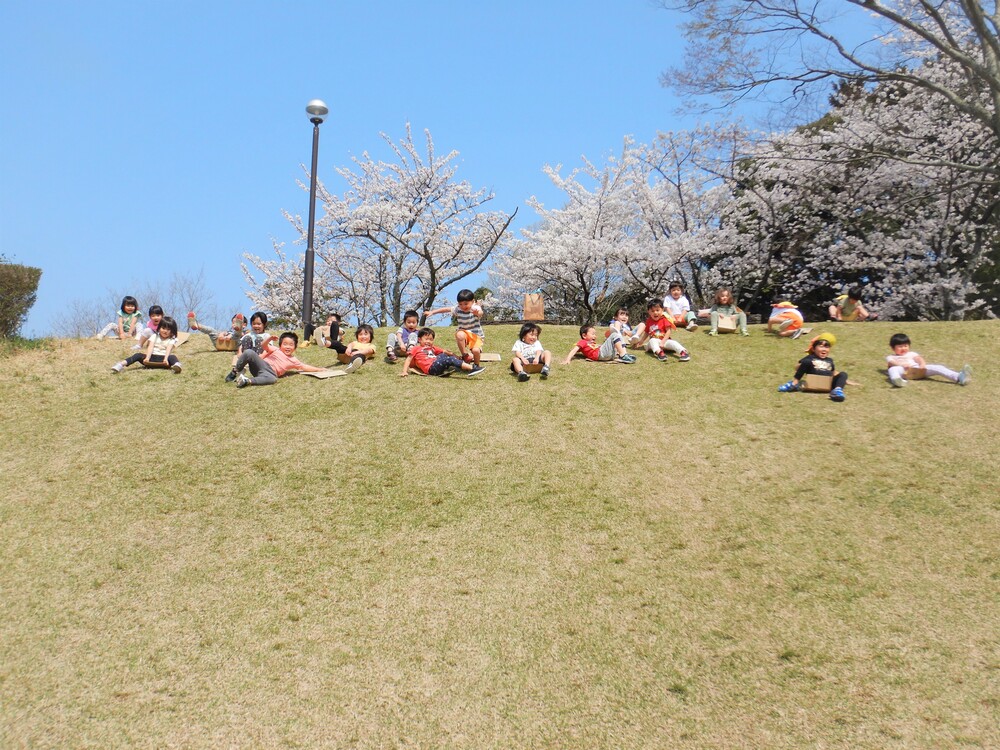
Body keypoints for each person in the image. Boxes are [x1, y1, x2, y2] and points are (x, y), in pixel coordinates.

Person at [233, 331, 328, 387]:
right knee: (249, 352)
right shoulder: (275, 349)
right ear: (280, 345)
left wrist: (319, 369)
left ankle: (247, 381)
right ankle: (235, 371)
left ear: (295, 347)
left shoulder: (293, 360)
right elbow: (263, 345)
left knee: (273, 379)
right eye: (285, 344)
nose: (287, 347)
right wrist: (269, 339)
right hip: (261, 365)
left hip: (270, 373)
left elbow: (304, 367)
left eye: (291, 345)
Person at [777, 332, 848, 402]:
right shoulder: (810, 358)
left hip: (827, 385)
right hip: (812, 382)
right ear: (814, 349)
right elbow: (797, 367)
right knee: (806, 362)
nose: (824, 349)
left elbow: (833, 373)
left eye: (826, 347)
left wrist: (844, 380)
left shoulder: (830, 360)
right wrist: (805, 363)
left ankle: (837, 391)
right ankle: (793, 383)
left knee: (843, 374)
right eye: (821, 346)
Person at [886, 333, 971, 387]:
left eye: (905, 346)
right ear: (893, 348)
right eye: (900, 346)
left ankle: (959, 377)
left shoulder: (911, 354)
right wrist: (901, 365)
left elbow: (919, 358)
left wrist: (922, 365)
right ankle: (898, 381)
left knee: (938, 367)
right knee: (893, 369)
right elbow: (891, 362)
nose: (903, 348)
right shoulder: (891, 357)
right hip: (903, 373)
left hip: (918, 370)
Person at [425, 289, 485, 365]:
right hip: (464, 333)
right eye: (460, 304)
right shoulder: (458, 309)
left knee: (476, 351)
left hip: (476, 335)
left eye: (466, 304)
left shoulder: (475, 308)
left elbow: (480, 312)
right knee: (459, 334)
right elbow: (446, 309)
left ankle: (476, 365)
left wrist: (478, 313)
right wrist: (432, 312)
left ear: (472, 302)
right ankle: (465, 355)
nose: (463, 306)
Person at [400, 327, 485, 378]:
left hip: (436, 363)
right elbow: (408, 359)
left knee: (444, 355)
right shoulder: (416, 348)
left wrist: (457, 356)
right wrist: (404, 371)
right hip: (431, 368)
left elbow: (446, 352)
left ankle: (461, 365)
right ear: (419, 339)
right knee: (449, 360)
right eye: (426, 339)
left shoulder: (432, 348)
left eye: (431, 339)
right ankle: (472, 368)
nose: (428, 342)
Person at [111, 316, 182, 374]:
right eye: (163, 328)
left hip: (164, 360)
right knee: (138, 355)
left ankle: (176, 366)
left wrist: (166, 359)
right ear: (159, 328)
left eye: (168, 329)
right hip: (152, 358)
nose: (165, 331)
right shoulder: (154, 336)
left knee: (172, 357)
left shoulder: (172, 340)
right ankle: (120, 365)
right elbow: (150, 347)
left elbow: (168, 349)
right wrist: (147, 358)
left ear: (172, 331)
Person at [223, 312, 273, 382]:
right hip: (247, 356)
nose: (256, 326)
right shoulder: (248, 335)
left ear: (264, 324)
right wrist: (240, 352)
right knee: (247, 338)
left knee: (259, 340)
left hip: (259, 359)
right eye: (254, 324)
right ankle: (236, 372)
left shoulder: (266, 336)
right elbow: (241, 345)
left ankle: (240, 371)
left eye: (259, 324)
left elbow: (268, 349)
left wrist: (261, 356)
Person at [563, 325, 636, 364]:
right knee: (614, 334)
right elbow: (574, 350)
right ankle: (623, 355)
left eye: (595, 334)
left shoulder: (591, 343)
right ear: (584, 335)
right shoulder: (583, 342)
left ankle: (624, 354)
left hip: (607, 355)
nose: (595, 336)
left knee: (619, 336)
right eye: (593, 334)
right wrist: (568, 359)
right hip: (600, 354)